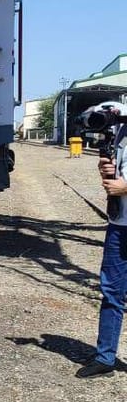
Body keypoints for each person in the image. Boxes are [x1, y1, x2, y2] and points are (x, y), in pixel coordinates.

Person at [84, 101, 127, 378]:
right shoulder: (121, 123)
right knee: (111, 292)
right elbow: (88, 116)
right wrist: (108, 170)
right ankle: (105, 357)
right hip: (119, 224)